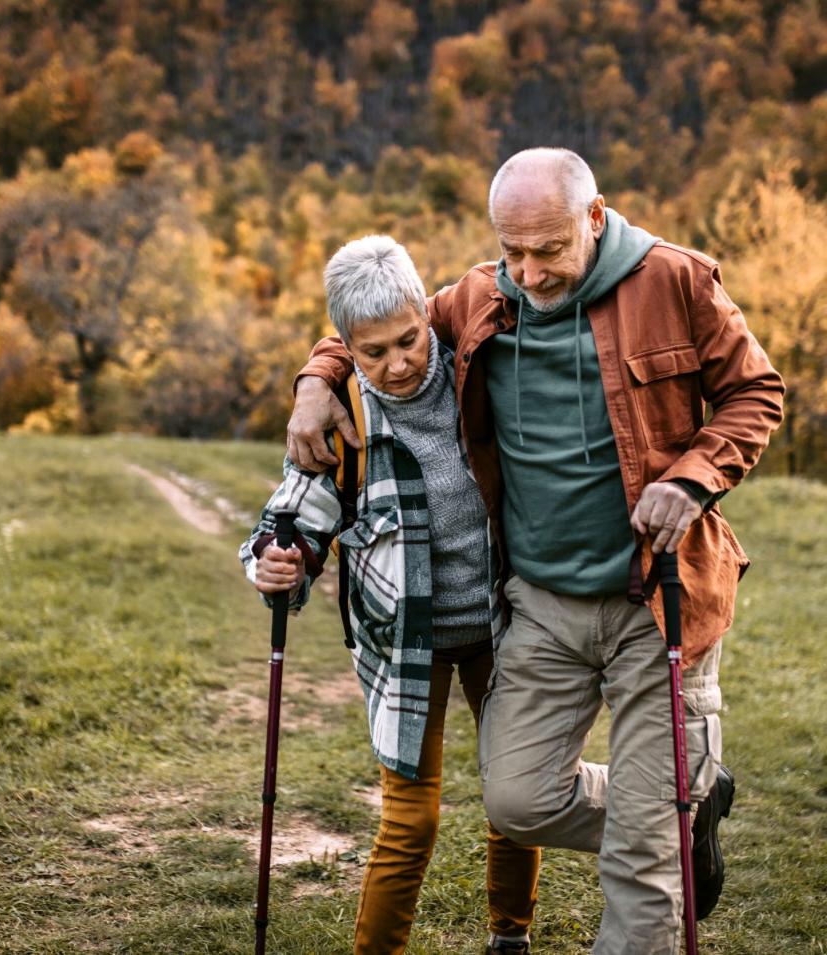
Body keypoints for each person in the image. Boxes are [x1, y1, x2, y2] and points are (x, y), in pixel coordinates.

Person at [286, 148, 785, 954]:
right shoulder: (485, 296)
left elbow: (757, 392)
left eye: (546, 250)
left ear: (593, 219)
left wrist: (692, 478)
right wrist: (316, 377)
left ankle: (662, 825)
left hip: (658, 596)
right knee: (516, 802)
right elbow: (382, 329)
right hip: (543, 609)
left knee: (641, 859)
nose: (528, 271)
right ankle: (677, 807)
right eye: (511, 250)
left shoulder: (677, 281)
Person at [240, 235, 540, 955]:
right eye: (372, 352)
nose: (398, 363)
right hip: (404, 644)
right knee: (411, 819)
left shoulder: (475, 367)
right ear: (346, 345)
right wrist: (278, 562)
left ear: (424, 315)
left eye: (409, 340)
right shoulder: (340, 416)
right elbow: (291, 518)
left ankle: (511, 935)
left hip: (503, 623)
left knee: (514, 799)